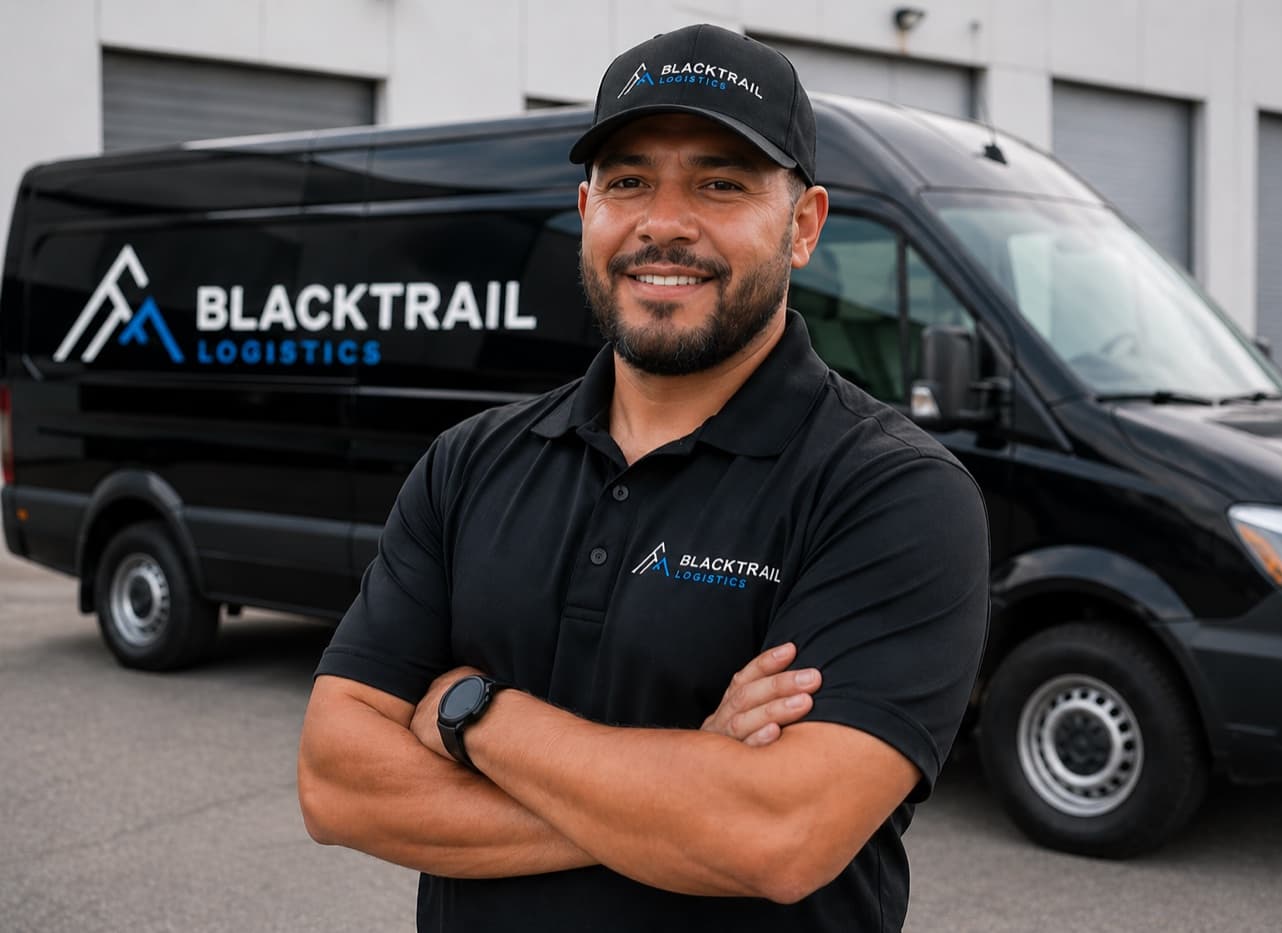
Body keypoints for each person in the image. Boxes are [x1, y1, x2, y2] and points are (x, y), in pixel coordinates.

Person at [297, 23, 989, 933]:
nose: (664, 222)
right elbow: (336, 782)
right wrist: (682, 786)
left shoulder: (892, 493)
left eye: (720, 182)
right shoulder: (470, 462)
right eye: (628, 180)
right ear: (586, 208)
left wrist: (474, 714)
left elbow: (776, 833)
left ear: (804, 226)